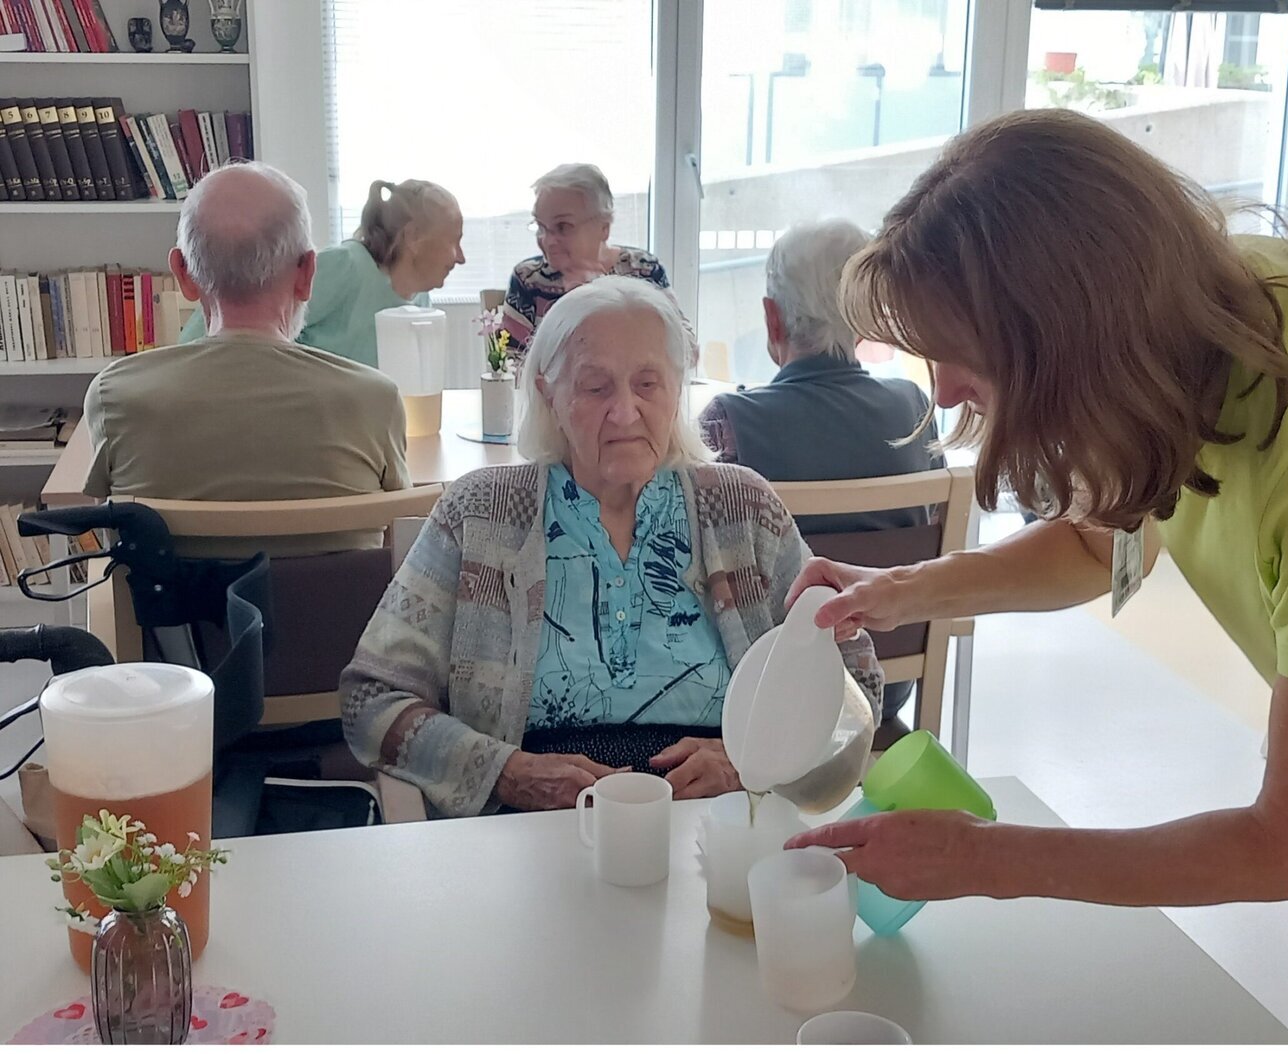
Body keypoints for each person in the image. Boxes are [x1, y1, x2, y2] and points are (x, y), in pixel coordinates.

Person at [783, 110, 1288, 1044]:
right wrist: (902, 591)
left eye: (962, 355)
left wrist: (986, 859)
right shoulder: (1183, 333)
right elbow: (1102, 543)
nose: (944, 390)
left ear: (1067, 332)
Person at [341, 276, 883, 817]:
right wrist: (506, 773)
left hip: (719, 821)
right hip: (532, 826)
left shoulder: (743, 509)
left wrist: (748, 763)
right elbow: (372, 700)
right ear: (548, 395)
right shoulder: (481, 513)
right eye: (595, 387)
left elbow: (854, 685)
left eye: (648, 384)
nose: (625, 412)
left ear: (677, 388)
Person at [84, 161, 411, 559]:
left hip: (171, 605)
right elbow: (400, 538)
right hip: (341, 604)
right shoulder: (376, 400)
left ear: (183, 274)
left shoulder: (115, 396)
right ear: (307, 273)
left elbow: (109, 536)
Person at [698, 219, 944, 743]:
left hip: (771, 697)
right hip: (888, 688)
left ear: (772, 318)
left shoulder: (729, 422)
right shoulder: (915, 409)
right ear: (863, 316)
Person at [180, 177, 465, 368]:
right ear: (413, 237)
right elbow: (209, 328)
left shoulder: (421, 302)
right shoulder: (345, 267)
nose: (461, 258)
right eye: (455, 240)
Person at [502, 162, 691, 368]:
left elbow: (687, 350)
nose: (547, 240)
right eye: (541, 226)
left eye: (563, 226)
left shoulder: (643, 271)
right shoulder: (529, 278)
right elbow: (508, 364)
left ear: (604, 227)